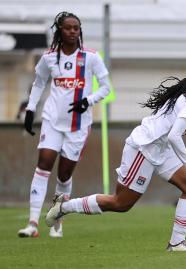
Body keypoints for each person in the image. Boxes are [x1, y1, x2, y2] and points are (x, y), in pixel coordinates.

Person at [46, 63, 186, 252]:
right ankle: (64, 207)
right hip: (145, 147)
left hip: (160, 148)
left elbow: (171, 135)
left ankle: (176, 244)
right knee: (121, 203)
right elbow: (174, 136)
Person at [18, 11, 111, 238]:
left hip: (78, 126)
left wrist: (87, 101)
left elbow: (106, 88)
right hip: (52, 121)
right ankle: (32, 224)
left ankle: (57, 220)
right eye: (68, 28)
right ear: (59, 30)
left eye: (76, 28)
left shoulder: (91, 57)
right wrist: (30, 109)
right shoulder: (49, 57)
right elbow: (39, 84)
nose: (72, 31)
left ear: (80, 31)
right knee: (44, 164)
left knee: (64, 176)